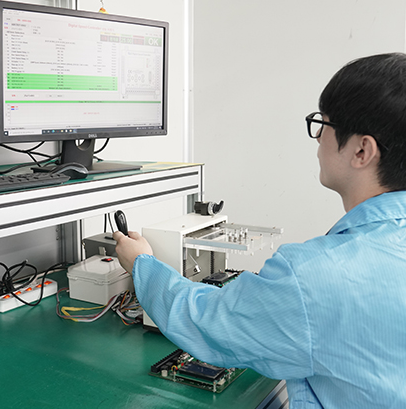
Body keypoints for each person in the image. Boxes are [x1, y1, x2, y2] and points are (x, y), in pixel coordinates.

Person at [113, 53, 406, 409]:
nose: (317, 139)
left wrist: (141, 264)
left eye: (323, 125)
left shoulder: (317, 277)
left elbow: (208, 322)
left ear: (362, 150)